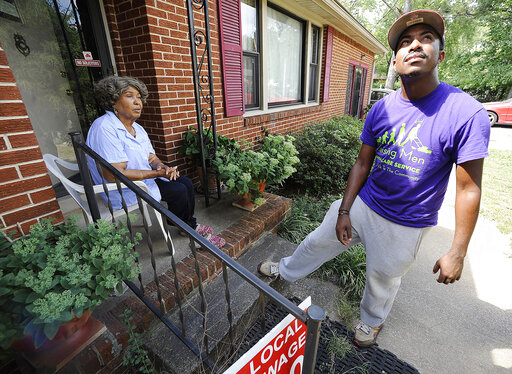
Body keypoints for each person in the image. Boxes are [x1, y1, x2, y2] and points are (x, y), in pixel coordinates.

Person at [258, 9, 490, 347]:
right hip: (364, 205)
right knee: (315, 243)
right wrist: (344, 210)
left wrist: (457, 251)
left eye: (426, 39)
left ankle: (370, 322)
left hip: (406, 224)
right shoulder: (381, 109)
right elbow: (362, 163)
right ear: (395, 62)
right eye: (406, 42)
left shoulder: (466, 113)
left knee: (382, 278)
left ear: (440, 55)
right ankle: (286, 270)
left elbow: (469, 189)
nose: (415, 46)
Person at [86, 75, 225, 248]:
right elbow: (114, 175)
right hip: (123, 188)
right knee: (178, 190)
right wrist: (158, 173)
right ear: (113, 101)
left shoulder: (137, 127)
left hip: (143, 178)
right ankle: (189, 227)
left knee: (186, 183)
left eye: (139, 97)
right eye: (130, 96)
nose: (138, 102)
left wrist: (162, 166)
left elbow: (151, 157)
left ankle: (185, 224)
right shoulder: (104, 127)